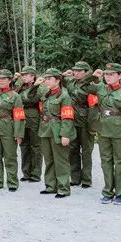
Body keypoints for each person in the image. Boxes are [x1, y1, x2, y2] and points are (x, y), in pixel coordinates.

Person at [85, 63, 121, 205]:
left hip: (120, 132)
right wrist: (93, 75)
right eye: (106, 74)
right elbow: (83, 86)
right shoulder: (100, 88)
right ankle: (108, 191)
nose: (108, 77)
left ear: (120, 76)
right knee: (106, 162)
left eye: (111, 74)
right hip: (103, 131)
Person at [37, 69, 76, 198]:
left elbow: (68, 117)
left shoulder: (64, 96)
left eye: (49, 79)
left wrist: (65, 134)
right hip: (45, 130)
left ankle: (63, 188)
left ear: (58, 80)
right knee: (48, 160)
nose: (46, 81)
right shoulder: (47, 94)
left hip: (58, 131)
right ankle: (50, 186)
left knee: (61, 160)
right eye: (45, 78)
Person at [63, 61, 96, 189]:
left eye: (80, 71)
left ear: (86, 72)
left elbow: (94, 106)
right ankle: (75, 178)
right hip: (72, 120)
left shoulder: (91, 85)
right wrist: (64, 74)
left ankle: (87, 179)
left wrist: (92, 125)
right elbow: (57, 79)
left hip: (85, 121)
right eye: (75, 70)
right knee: (72, 150)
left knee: (86, 151)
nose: (76, 73)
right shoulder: (71, 82)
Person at [16, 66, 42, 183]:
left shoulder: (39, 87)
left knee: (35, 147)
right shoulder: (20, 88)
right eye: (23, 75)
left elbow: (31, 99)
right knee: (24, 146)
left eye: (27, 75)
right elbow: (15, 98)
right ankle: (26, 173)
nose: (24, 77)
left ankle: (35, 174)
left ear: (33, 76)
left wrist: (35, 86)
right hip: (22, 120)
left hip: (34, 120)